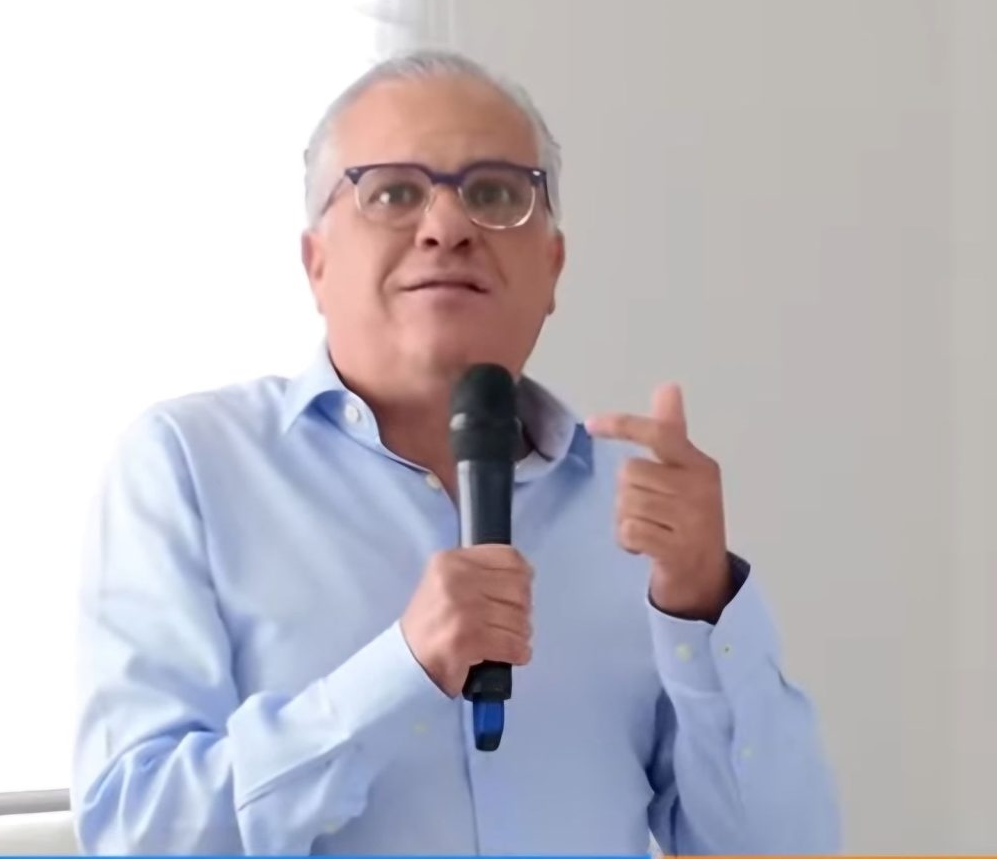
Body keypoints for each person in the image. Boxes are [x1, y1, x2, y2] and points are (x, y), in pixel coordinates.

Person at [71, 50, 840, 855]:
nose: (448, 227)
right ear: (316, 263)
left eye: (496, 193)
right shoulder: (190, 468)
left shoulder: (637, 513)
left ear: (552, 266)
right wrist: (400, 672)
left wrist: (702, 606)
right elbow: (138, 835)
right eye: (393, 193)